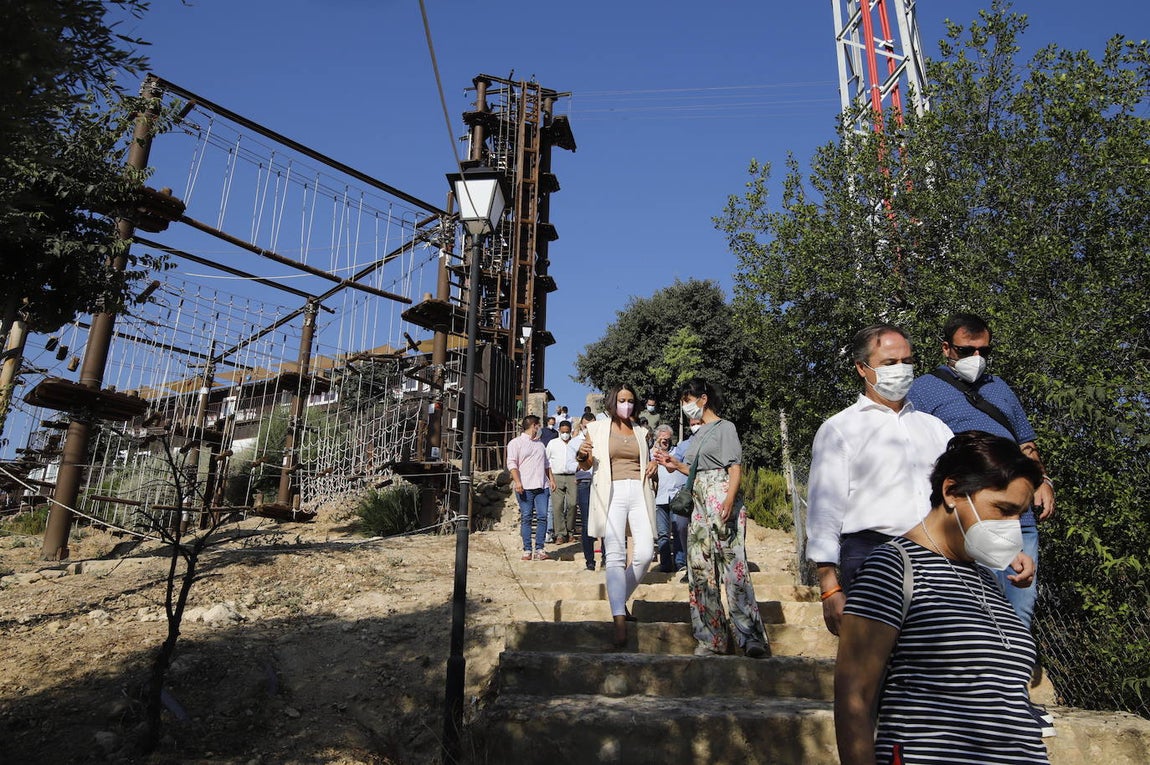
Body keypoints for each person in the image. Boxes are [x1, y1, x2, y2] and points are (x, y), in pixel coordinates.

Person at [835, 431, 1048, 764]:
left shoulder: (987, 580)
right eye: (1002, 509)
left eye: (1018, 515)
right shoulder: (892, 567)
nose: (1012, 527)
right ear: (952, 491)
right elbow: (854, 698)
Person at [806, 324, 956, 635]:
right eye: (889, 364)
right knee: (878, 664)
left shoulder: (936, 429)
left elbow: (960, 498)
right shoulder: (840, 429)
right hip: (872, 558)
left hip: (939, 559)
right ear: (862, 368)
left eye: (907, 362)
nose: (900, 370)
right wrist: (829, 587)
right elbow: (825, 511)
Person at [907, 313, 1054, 631]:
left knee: (1018, 613)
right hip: (964, 520)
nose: (976, 358)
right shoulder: (923, 390)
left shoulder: (999, 388)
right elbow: (913, 451)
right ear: (947, 349)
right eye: (966, 350)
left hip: (1019, 520)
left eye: (983, 351)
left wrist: (1042, 480)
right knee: (968, 613)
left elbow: (1025, 440)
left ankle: (1011, 678)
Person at [656, 378, 768, 658]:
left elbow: (735, 466)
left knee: (733, 565)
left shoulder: (725, 427)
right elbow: (694, 471)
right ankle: (711, 639)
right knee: (700, 569)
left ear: (702, 399)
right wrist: (675, 464)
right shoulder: (696, 436)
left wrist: (730, 499)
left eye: (687, 400)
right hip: (697, 501)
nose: (685, 406)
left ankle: (750, 636)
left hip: (720, 496)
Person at [576, 384, 656, 648]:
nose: (627, 405)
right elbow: (586, 464)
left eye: (631, 400)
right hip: (612, 492)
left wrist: (653, 464)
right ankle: (618, 618)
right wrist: (582, 456)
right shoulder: (597, 429)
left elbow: (648, 460)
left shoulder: (642, 431)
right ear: (613, 401)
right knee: (615, 553)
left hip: (639, 491)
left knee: (645, 554)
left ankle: (619, 598)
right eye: (622, 400)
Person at [506, 415, 555, 561]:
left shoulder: (540, 444)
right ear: (534, 426)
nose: (540, 428)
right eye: (538, 425)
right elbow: (512, 464)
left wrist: (551, 479)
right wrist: (518, 481)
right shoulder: (516, 443)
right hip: (525, 487)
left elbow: (546, 464)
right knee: (526, 517)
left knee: (542, 517)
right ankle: (527, 549)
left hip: (542, 487)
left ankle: (539, 548)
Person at [649, 424, 687, 573]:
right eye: (662, 439)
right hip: (660, 497)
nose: (665, 441)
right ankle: (665, 564)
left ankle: (680, 563)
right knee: (663, 534)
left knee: (678, 532)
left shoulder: (677, 452)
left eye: (667, 439)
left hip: (676, 496)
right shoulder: (652, 454)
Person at [571, 411, 599, 570]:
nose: (588, 429)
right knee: (587, 522)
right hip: (584, 482)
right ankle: (590, 560)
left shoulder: (601, 440)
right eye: (586, 426)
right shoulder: (575, 442)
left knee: (604, 521)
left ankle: (608, 559)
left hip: (601, 482)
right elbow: (569, 465)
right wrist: (581, 458)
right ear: (581, 425)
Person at [545, 420, 579, 544]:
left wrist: (578, 473)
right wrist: (550, 479)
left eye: (567, 432)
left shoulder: (576, 443)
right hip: (557, 476)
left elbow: (582, 460)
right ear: (559, 431)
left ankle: (570, 531)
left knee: (573, 504)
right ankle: (560, 533)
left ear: (571, 431)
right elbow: (546, 461)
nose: (565, 434)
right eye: (563, 432)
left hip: (572, 477)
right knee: (557, 506)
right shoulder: (552, 443)